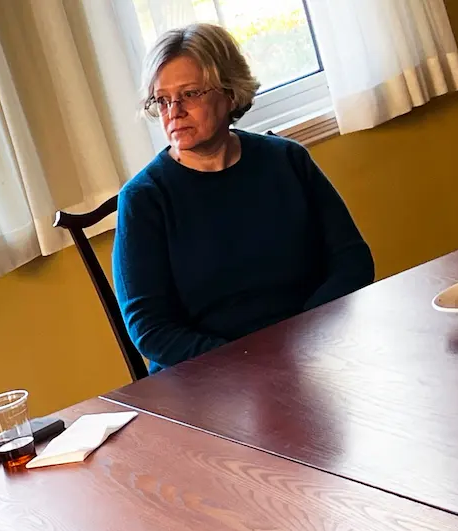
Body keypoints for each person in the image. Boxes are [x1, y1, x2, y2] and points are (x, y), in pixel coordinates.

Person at [112, 23, 374, 373]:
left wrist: (303, 339)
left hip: (315, 353)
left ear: (230, 92)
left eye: (190, 94)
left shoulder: (287, 160)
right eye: (162, 100)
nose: (173, 111)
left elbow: (352, 260)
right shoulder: (144, 199)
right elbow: (149, 327)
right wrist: (248, 361)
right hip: (209, 377)